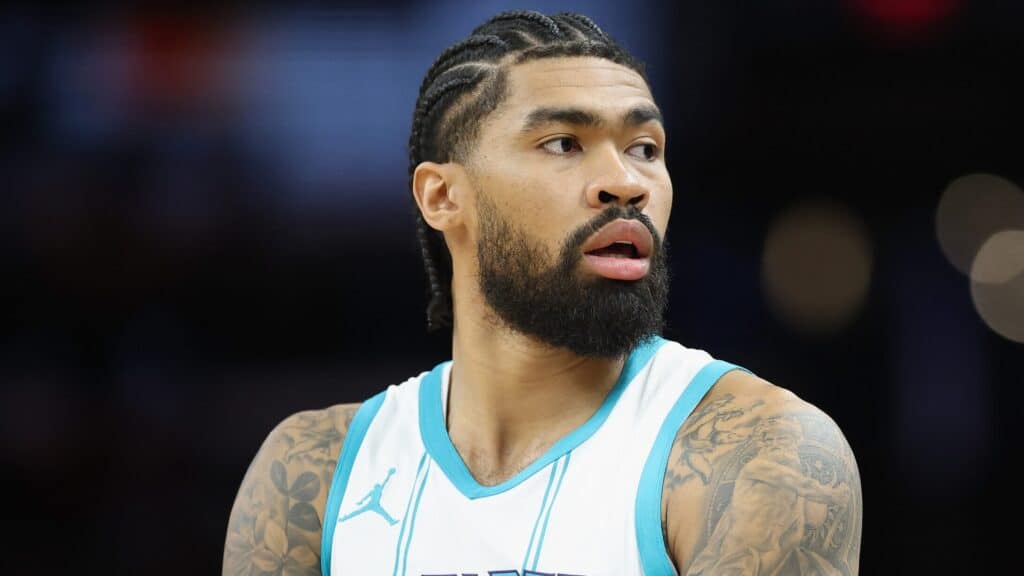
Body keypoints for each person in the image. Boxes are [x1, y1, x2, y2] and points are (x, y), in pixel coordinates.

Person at [223, 10, 862, 576]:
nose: (626, 182)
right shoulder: (311, 474)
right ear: (442, 196)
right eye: (563, 144)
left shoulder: (760, 453)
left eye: (644, 148)